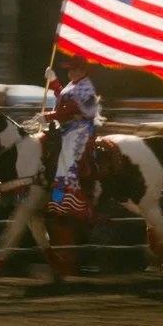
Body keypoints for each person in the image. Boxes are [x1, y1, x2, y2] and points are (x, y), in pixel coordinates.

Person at [42, 50, 99, 217]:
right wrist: (53, 82)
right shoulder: (74, 85)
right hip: (68, 126)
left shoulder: (85, 87)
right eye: (70, 69)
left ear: (83, 71)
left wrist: (49, 116)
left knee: (66, 155)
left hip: (80, 127)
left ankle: (67, 200)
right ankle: (55, 196)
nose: (71, 72)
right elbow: (63, 97)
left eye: (75, 69)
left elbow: (72, 108)